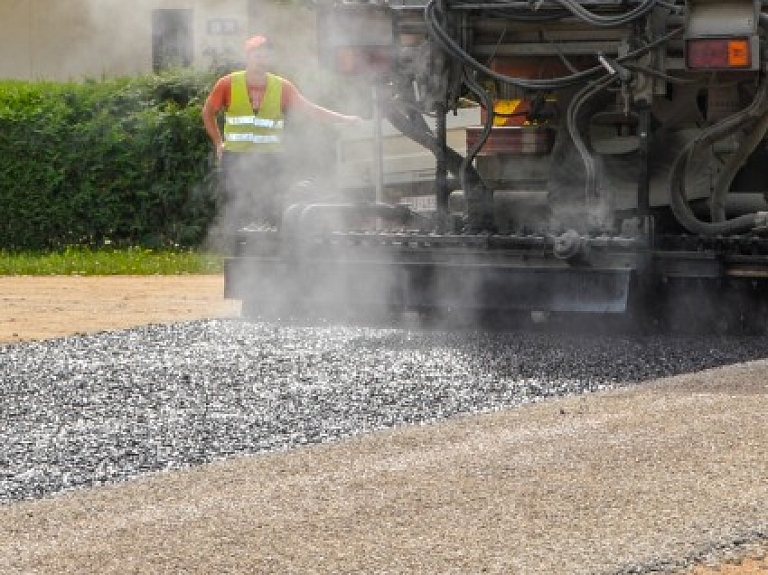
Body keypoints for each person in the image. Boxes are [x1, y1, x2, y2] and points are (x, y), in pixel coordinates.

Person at [202, 34, 361, 229]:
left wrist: (344, 119)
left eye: (266, 56)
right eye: (257, 55)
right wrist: (218, 142)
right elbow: (208, 112)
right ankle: (239, 252)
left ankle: (270, 251)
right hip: (236, 157)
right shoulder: (227, 84)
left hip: (270, 158)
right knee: (237, 208)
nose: (262, 60)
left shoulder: (281, 87)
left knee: (272, 208)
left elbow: (308, 109)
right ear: (248, 57)